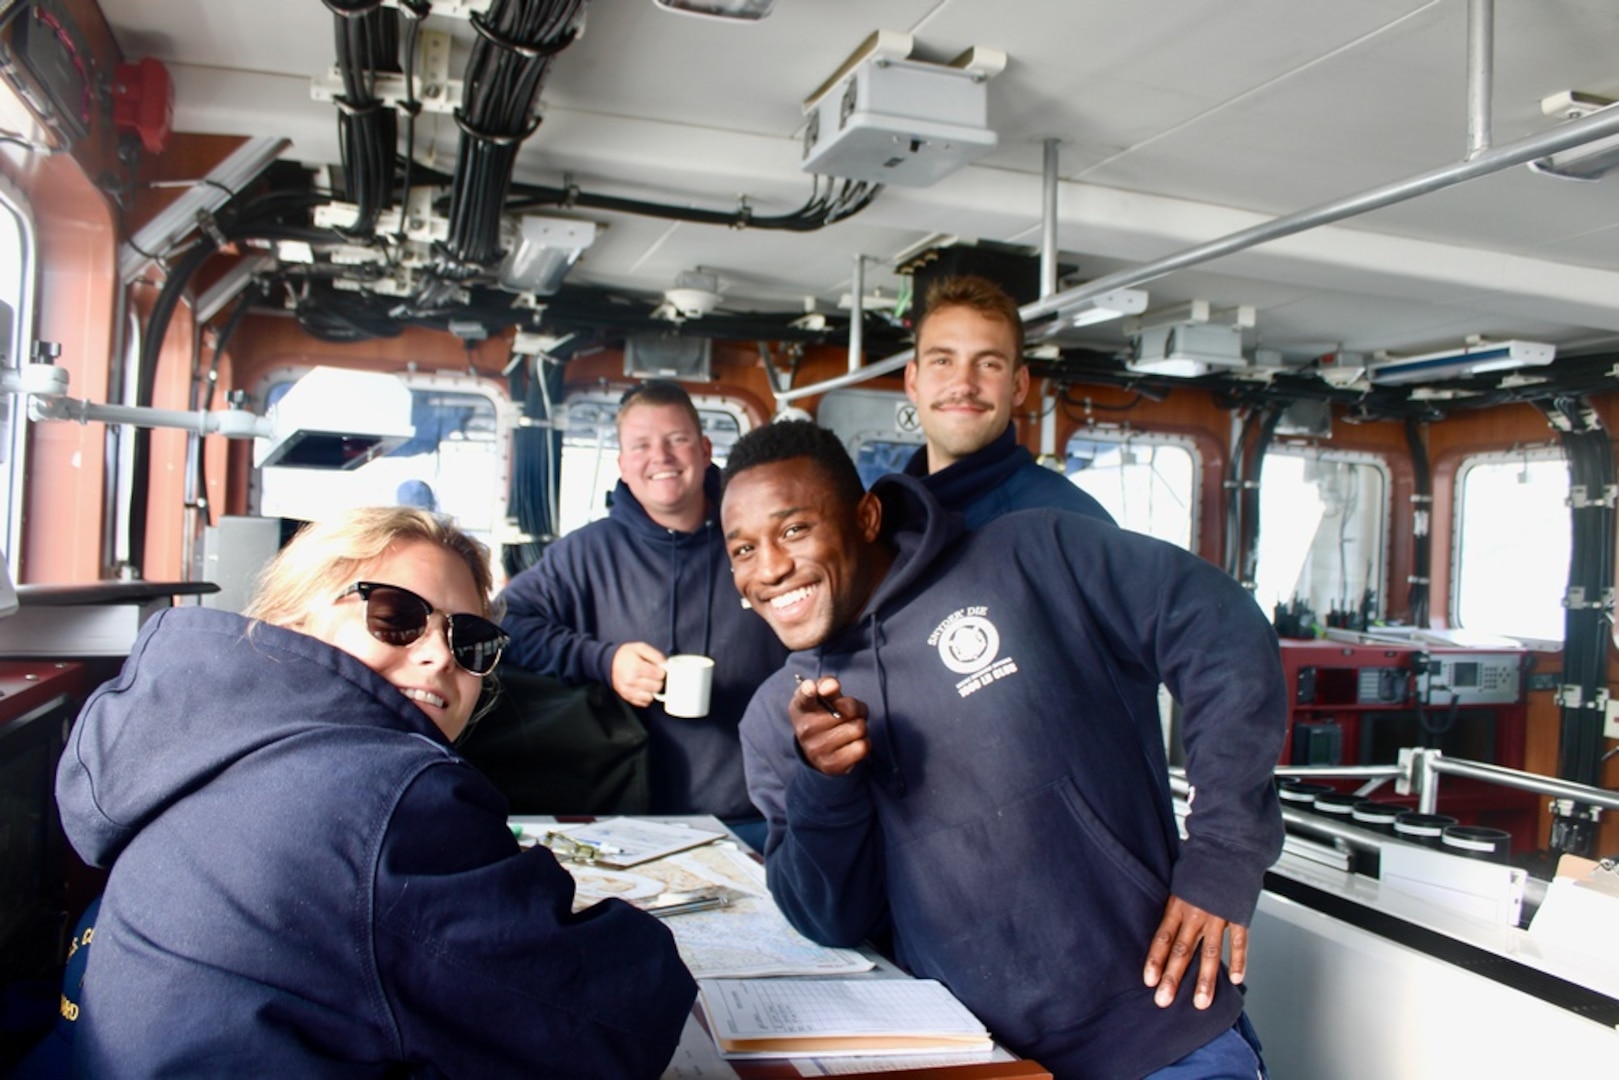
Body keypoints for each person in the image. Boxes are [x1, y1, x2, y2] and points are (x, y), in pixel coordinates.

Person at [721, 420, 1285, 1080]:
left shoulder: (1032, 554)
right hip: (977, 1058)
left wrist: (1222, 855)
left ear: (866, 516)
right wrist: (824, 782)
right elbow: (830, 920)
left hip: (1161, 1036)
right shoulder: (775, 719)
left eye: (792, 530)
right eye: (741, 550)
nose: (770, 569)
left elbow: (1221, 628)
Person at [54, 507, 695, 1078]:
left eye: (468, 639)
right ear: (291, 619)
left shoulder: (201, 742)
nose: (440, 656)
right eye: (397, 616)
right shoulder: (387, 798)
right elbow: (616, 1022)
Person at [500, 380, 788, 846]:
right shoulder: (586, 552)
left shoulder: (756, 538)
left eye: (677, 440)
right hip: (626, 820)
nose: (662, 457)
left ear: (705, 448)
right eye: (641, 445)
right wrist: (603, 661)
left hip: (758, 813)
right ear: (623, 463)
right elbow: (507, 623)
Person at [903, 274, 1113, 526]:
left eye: (988, 364)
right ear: (913, 381)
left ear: (1018, 386)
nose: (963, 384)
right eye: (942, 361)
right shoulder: (891, 514)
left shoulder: (1068, 521)